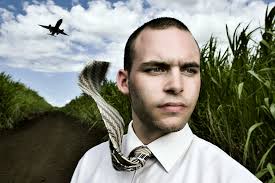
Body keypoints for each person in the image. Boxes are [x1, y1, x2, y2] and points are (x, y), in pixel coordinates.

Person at [71, 17, 262, 183]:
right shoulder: (90, 163)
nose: (176, 86)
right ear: (124, 82)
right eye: (156, 69)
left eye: (189, 70)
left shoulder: (230, 177)